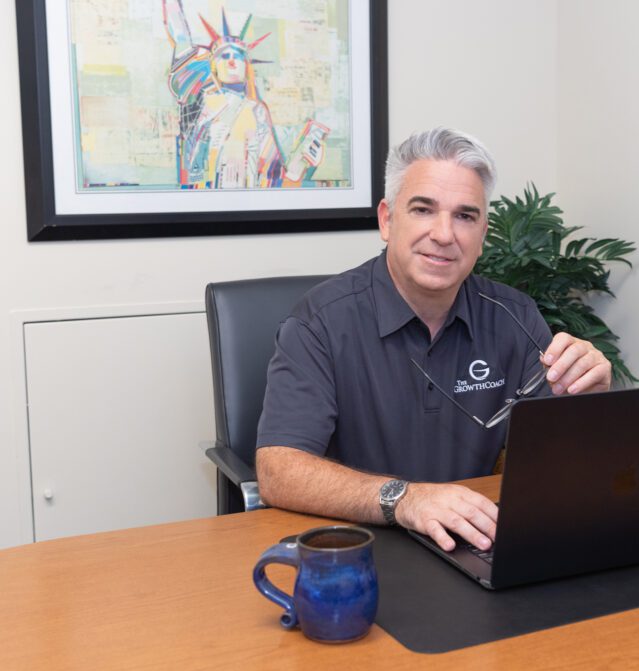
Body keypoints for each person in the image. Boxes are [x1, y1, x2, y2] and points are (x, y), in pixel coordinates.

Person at [255, 127, 613, 553]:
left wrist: (588, 405)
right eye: (424, 209)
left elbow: (557, 465)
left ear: (482, 234)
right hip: (359, 548)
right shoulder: (320, 322)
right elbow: (278, 471)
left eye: (465, 216)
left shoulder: (515, 316)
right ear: (387, 220)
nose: (444, 234)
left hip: (475, 540)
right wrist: (404, 500)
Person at [162, 2, 325, 188]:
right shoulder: (198, 99)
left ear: (246, 66)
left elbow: (272, 176)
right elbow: (180, 34)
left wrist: (304, 164)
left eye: (238, 56)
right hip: (199, 202)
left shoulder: (257, 110)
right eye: (224, 56)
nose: (232, 60)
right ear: (213, 68)